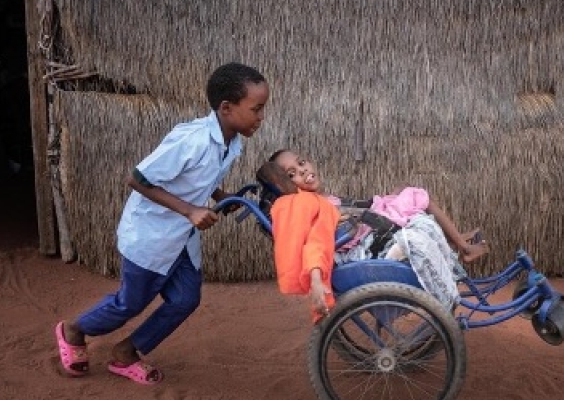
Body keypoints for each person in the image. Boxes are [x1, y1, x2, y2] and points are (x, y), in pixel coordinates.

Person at [54, 62, 269, 384]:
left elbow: (197, 178)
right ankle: (74, 329)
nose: (261, 117)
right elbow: (138, 179)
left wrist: (223, 195)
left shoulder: (231, 141)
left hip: (179, 237)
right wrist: (189, 211)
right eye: (257, 109)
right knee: (131, 302)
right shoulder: (191, 140)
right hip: (151, 235)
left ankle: (127, 351)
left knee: (185, 299)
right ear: (226, 108)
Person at [262, 149, 489, 321]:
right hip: (363, 246)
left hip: (369, 230)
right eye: (292, 174)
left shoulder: (319, 199)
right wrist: (315, 279)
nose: (302, 171)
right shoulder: (310, 205)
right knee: (418, 211)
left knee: (412, 199)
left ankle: (457, 246)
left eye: (302, 163)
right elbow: (315, 242)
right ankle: (460, 251)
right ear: (288, 186)